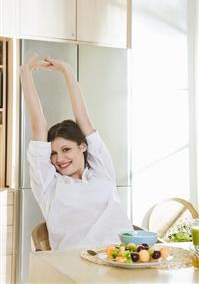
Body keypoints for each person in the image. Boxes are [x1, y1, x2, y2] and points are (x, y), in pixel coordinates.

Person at [20, 53, 132, 250]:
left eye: (65, 149)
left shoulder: (101, 171)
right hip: (78, 266)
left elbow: (84, 120)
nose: (59, 159)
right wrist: (24, 73)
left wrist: (67, 71)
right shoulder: (49, 185)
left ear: (83, 146)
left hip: (124, 257)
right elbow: (38, 124)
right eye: (53, 153)